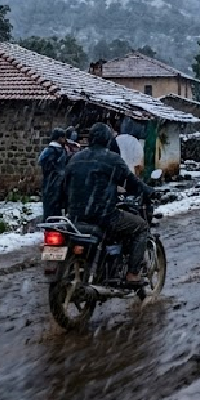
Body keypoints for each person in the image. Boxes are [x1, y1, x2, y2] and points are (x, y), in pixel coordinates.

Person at [63, 123, 155, 287]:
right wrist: (147, 191)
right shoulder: (111, 159)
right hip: (102, 216)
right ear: (108, 140)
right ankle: (133, 274)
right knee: (140, 227)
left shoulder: (75, 158)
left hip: (76, 217)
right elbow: (131, 182)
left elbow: (63, 186)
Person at [38, 128, 71, 220]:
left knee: (51, 210)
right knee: (54, 210)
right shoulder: (54, 151)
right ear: (59, 138)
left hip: (51, 185)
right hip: (55, 185)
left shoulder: (51, 151)